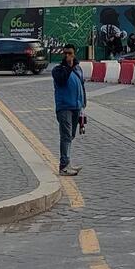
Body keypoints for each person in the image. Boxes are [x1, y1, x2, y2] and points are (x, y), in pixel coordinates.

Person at [51, 45, 87, 176]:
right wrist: (69, 67)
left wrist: (83, 103)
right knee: (66, 135)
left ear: (74, 54)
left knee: (71, 135)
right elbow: (61, 80)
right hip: (64, 107)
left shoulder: (78, 69)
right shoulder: (58, 70)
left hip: (76, 107)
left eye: (70, 53)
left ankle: (68, 162)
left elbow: (81, 86)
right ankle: (64, 165)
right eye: (65, 53)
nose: (67, 56)